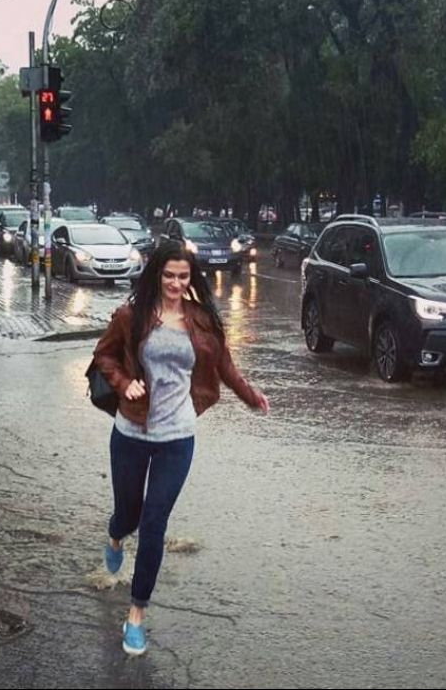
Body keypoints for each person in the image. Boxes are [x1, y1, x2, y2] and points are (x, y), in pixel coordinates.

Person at [91, 241, 270, 656]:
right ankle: (115, 536)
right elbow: (104, 356)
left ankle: (136, 614)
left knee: (154, 525)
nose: (175, 284)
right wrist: (124, 383)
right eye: (169, 276)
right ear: (157, 274)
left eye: (183, 277)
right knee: (129, 516)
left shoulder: (201, 320)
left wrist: (251, 395)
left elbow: (223, 364)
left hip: (177, 436)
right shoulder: (130, 316)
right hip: (131, 433)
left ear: (192, 278)